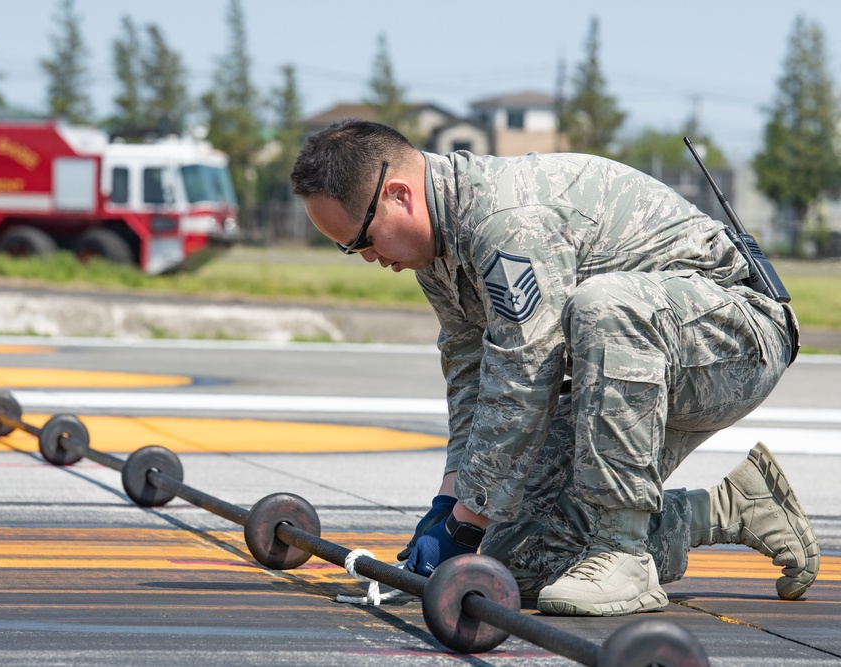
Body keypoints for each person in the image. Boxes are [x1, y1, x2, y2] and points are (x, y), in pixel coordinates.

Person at [290, 119, 819, 617]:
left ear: (398, 195)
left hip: (734, 338)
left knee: (604, 306)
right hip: (628, 368)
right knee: (509, 562)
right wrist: (451, 504)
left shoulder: (506, 222)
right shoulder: (437, 249)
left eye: (360, 240)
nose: (364, 257)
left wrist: (463, 523)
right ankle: (731, 509)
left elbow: (526, 374)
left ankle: (624, 553)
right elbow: (472, 380)